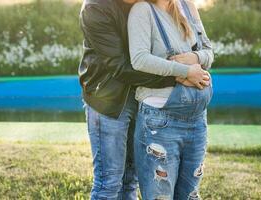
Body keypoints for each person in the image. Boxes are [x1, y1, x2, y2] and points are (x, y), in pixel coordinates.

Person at [78, 0, 210, 199]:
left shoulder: (145, 5)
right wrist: (179, 76)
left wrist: (193, 61)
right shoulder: (95, 8)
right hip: (108, 100)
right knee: (109, 182)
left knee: (130, 180)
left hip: (139, 98)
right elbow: (121, 67)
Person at [128, 0, 214, 199]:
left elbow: (209, 52)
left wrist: (195, 58)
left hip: (197, 120)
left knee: (190, 195)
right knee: (161, 196)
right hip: (159, 121)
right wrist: (184, 72)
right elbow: (139, 59)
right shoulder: (142, 11)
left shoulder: (187, 6)